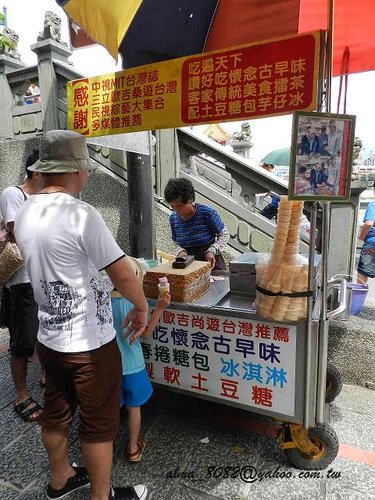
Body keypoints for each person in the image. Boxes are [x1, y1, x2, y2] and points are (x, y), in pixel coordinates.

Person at [14, 130, 148, 500]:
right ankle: (101, 496)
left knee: (56, 413)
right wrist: (141, 306)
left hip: (50, 340)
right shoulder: (80, 214)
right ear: (76, 170)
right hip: (90, 344)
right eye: (86, 168)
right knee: (99, 426)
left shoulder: (24, 211)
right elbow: (121, 271)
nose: (87, 174)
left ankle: (61, 478)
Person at [0, 149, 44, 423]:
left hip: (47, 276)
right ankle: (21, 394)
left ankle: (45, 376)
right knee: (23, 339)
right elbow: (20, 233)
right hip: (23, 280)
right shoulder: (13, 194)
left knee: (46, 332)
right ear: (38, 171)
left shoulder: (47, 198)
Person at [111, 261, 171, 463]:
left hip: (109, 366)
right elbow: (145, 333)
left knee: (112, 406)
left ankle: (107, 444)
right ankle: (133, 448)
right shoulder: (136, 303)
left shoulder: (102, 302)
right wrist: (160, 308)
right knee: (133, 407)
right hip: (133, 364)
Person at [164, 177, 229, 270]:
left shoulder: (207, 213)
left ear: (190, 199)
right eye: (173, 206)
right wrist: (180, 251)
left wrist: (212, 250)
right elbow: (176, 242)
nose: (177, 210)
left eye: (180, 205)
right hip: (188, 264)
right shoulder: (173, 218)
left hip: (210, 260)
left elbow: (224, 235)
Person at [357, 182, 375, 285]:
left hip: (372, 244)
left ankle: (358, 300)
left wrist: (362, 236)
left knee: (363, 273)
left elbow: (368, 224)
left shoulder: (373, 204)